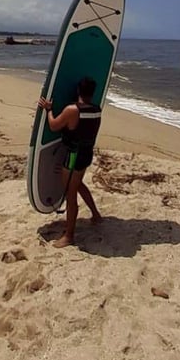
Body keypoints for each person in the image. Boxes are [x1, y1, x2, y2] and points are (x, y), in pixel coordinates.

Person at [38, 76, 103, 248]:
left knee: (70, 193)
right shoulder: (97, 109)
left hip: (74, 156)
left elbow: (53, 125)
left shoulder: (72, 110)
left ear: (78, 91)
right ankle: (96, 215)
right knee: (78, 184)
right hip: (86, 154)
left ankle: (69, 236)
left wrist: (48, 110)